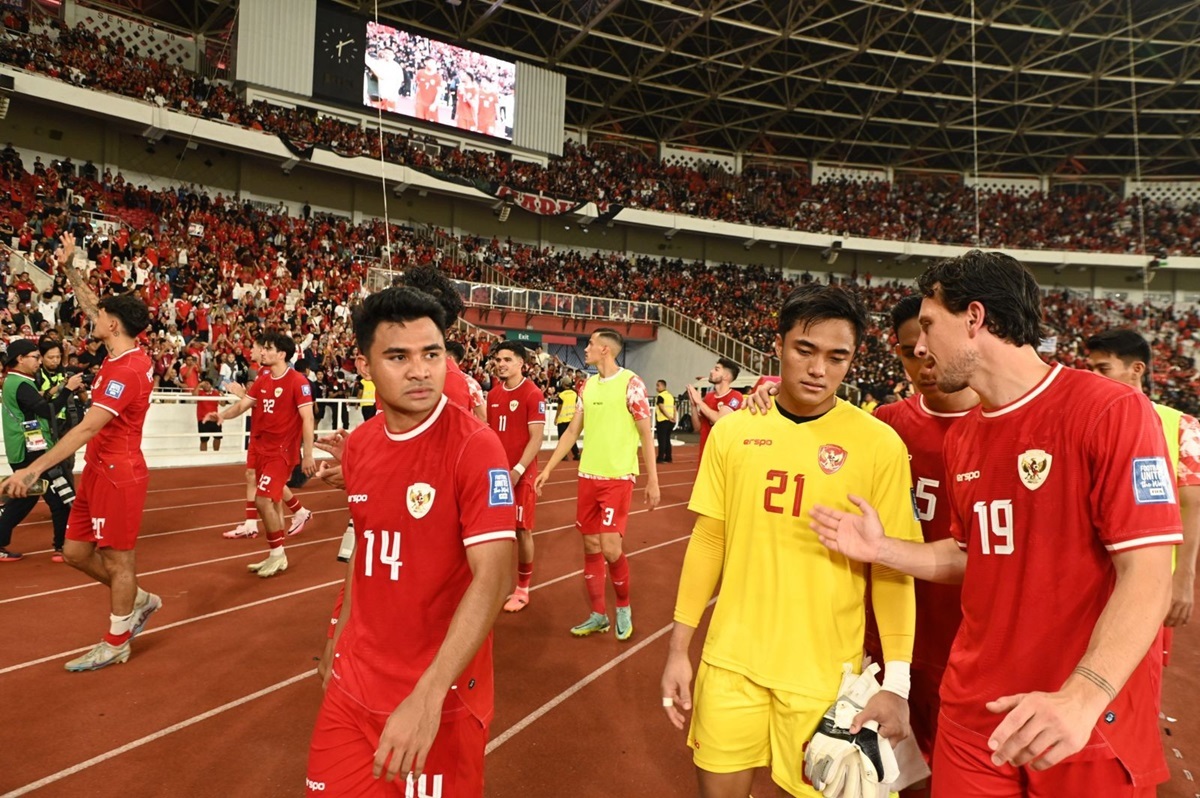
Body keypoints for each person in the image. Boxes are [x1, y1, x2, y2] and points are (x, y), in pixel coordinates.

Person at [809, 251, 1181, 797]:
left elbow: (1148, 574)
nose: (919, 346)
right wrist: (883, 548)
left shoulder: (1111, 410)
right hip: (973, 711)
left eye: (930, 325)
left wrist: (1084, 695)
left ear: (975, 318)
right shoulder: (965, 436)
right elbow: (969, 554)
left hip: (1078, 718)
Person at [661, 284, 919, 798]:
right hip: (730, 664)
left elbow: (892, 568)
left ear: (851, 361)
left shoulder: (879, 445)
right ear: (778, 346)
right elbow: (710, 539)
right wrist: (677, 648)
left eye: (836, 356)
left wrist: (897, 684)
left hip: (823, 680)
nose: (819, 368)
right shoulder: (735, 433)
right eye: (806, 350)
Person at [305, 286, 515, 797]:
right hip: (354, 685)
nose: (420, 371)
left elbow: (495, 576)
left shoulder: (475, 446)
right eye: (399, 357)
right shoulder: (360, 445)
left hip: (437, 695)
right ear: (363, 363)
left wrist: (429, 694)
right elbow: (366, 545)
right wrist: (341, 625)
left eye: (432, 354)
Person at [2, 244, 161, 671]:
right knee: (74, 552)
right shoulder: (121, 350)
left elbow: (87, 428)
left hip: (118, 473)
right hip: (97, 470)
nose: (90, 319)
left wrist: (33, 468)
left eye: (98, 318)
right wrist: (70, 268)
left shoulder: (125, 371)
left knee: (119, 560)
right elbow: (99, 305)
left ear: (112, 325)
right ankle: (139, 601)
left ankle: (116, 641)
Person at [534, 328, 660, 640]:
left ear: (605, 349)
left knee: (610, 547)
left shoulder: (632, 384)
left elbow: (646, 434)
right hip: (588, 476)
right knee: (590, 546)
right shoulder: (587, 386)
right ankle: (597, 615)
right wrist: (547, 467)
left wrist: (652, 481)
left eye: (590, 344)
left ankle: (624, 607)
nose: (585, 348)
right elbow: (570, 433)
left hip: (617, 478)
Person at [1085, 328, 1200, 658]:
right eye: (1090, 367)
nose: (1092, 375)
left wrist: (1183, 577)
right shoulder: (1083, 419)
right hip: (1086, 576)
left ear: (1137, 369)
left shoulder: (1180, 425)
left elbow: (1192, 504)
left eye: (1102, 368)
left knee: (1131, 675)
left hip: (1147, 580)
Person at [208, 331, 317, 577]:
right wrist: (223, 416)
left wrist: (308, 454)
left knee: (262, 499)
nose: (262, 352)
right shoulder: (263, 378)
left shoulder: (298, 382)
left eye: (267, 348)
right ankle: (277, 551)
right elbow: (243, 405)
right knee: (271, 501)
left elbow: (307, 418)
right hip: (262, 448)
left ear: (281, 354)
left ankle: (278, 554)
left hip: (282, 452)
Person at [0, 339, 82, 562]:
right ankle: (62, 546)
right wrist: (67, 390)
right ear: (20, 359)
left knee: (24, 497)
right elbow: (48, 411)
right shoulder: (20, 383)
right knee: (62, 496)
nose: (39, 362)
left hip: (26, 448)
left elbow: (36, 408)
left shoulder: (16, 381)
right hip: (34, 450)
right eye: (35, 357)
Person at [486, 341, 546, 612]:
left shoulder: (533, 394)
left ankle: (523, 588)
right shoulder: (493, 395)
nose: (501, 364)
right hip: (498, 474)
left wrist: (518, 471)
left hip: (520, 474)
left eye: (507, 359)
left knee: (522, 530)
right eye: (498, 359)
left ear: (521, 363)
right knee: (494, 530)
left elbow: (536, 438)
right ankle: (496, 583)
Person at [686, 357, 742, 460]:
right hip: (705, 455)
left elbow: (719, 419)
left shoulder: (735, 397)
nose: (711, 371)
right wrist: (693, 405)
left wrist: (699, 401)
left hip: (723, 456)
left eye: (716, 369)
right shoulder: (708, 397)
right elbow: (697, 427)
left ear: (726, 376)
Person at [194, 378, 224, 452]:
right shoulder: (200, 392)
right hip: (203, 419)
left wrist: (222, 396)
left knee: (218, 437)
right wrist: (199, 384)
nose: (206, 385)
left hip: (215, 418)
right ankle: (203, 457)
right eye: (204, 384)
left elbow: (223, 404)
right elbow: (194, 395)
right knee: (204, 439)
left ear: (211, 385)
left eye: (208, 383)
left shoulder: (215, 393)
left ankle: (216, 453)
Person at [554, 379, 580, 460]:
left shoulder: (562, 395)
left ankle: (563, 455)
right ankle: (576, 454)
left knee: (562, 438)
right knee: (571, 438)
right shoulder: (574, 394)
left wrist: (556, 418)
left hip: (562, 419)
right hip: (571, 419)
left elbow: (559, 408)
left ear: (563, 384)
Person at [654, 379, 676, 463]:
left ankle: (660, 458)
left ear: (663, 386)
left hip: (662, 420)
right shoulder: (670, 396)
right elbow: (674, 408)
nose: (656, 387)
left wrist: (669, 417)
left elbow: (661, 407)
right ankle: (668, 457)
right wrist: (674, 418)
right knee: (667, 439)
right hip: (670, 422)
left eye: (658, 385)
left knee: (662, 440)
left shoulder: (661, 396)